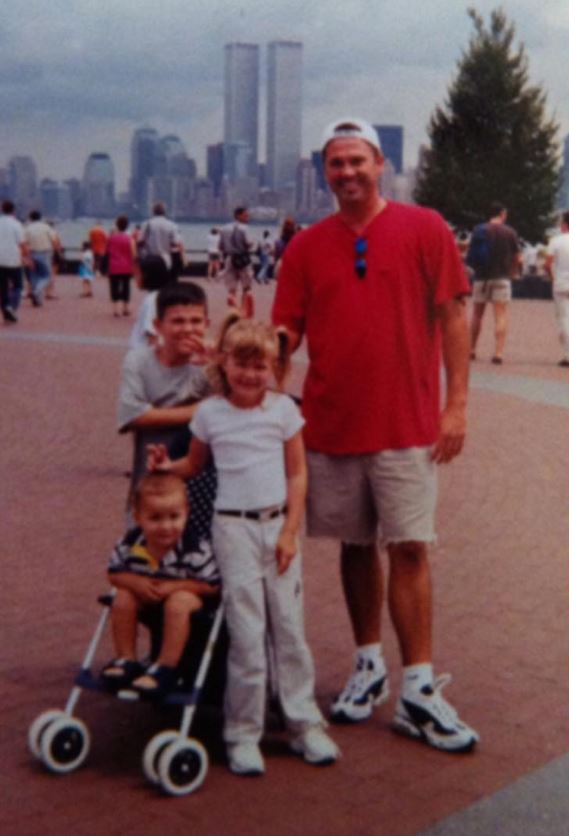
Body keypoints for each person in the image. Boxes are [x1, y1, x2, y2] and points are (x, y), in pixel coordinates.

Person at [272, 117, 477, 754]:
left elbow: (452, 315)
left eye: (358, 161)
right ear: (323, 172)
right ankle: (368, 665)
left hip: (408, 423)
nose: (348, 173)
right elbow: (287, 331)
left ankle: (418, 687)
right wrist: (254, 377)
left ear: (380, 163)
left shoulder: (425, 228)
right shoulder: (304, 247)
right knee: (355, 546)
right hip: (332, 425)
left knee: (409, 547)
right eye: (336, 164)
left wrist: (457, 405)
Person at [147, 315, 340, 776]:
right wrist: (164, 466)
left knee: (289, 630)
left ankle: (303, 724)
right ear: (224, 361)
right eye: (242, 364)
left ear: (274, 367)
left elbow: (297, 474)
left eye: (261, 367)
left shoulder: (283, 412)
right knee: (247, 636)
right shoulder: (209, 414)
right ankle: (242, 733)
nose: (251, 375)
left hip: (276, 529)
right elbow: (194, 466)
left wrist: (291, 530)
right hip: (231, 530)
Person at [102, 472, 220, 697]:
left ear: (186, 514)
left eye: (174, 517)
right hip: (146, 596)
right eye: (155, 518)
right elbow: (114, 573)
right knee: (123, 595)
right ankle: (126, 658)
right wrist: (135, 582)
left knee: (178, 602)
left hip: (189, 598)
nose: (166, 526)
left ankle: (165, 667)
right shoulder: (131, 543)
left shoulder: (195, 549)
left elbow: (212, 586)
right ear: (138, 517)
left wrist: (176, 587)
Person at [117, 282, 211, 505]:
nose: (188, 329)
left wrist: (221, 364)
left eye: (196, 321)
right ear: (158, 326)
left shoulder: (212, 365)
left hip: (203, 482)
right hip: (152, 481)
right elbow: (134, 415)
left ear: (207, 324)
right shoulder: (139, 361)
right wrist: (200, 410)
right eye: (178, 321)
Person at [467, 201, 521, 364]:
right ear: (502, 214)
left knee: (477, 315)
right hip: (501, 277)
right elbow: (517, 257)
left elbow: (471, 254)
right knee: (500, 315)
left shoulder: (479, 230)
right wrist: (513, 273)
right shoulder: (509, 232)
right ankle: (498, 352)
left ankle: (471, 349)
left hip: (481, 278)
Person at [138, 202, 184, 290]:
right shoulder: (172, 225)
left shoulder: (146, 224)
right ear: (164, 212)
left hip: (150, 259)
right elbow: (176, 243)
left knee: (152, 288)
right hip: (166, 260)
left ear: (153, 212)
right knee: (165, 287)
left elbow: (140, 241)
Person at [219, 207, 255, 315]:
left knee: (231, 289)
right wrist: (251, 244)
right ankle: (244, 310)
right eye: (245, 215)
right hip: (243, 259)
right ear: (238, 216)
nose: (247, 217)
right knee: (246, 288)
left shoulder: (224, 228)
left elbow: (220, 246)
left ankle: (232, 312)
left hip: (230, 258)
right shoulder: (245, 228)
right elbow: (248, 243)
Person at [545, 211, 569, 367]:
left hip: (561, 284)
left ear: (564, 224)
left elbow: (547, 263)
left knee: (565, 319)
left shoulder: (556, 241)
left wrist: (553, 277)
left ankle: (568, 354)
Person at [0, 200, 28, 323]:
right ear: (13, 210)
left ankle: (6, 308)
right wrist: (26, 257)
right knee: (18, 286)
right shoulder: (17, 224)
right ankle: (11, 307)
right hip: (13, 260)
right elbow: (22, 244)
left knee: (2, 287)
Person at [25, 210, 59, 306]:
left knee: (34, 276)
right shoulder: (46, 227)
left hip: (31, 253)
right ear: (40, 217)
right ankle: (37, 291)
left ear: (30, 218)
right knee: (46, 276)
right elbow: (54, 240)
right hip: (44, 253)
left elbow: (24, 243)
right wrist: (56, 251)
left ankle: (37, 299)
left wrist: (26, 257)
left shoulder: (27, 228)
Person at [107, 214, 136, 317]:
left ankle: (115, 309)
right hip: (126, 267)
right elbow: (134, 254)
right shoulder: (130, 239)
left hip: (113, 266)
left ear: (117, 225)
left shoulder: (111, 238)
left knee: (114, 287)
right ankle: (125, 308)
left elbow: (107, 252)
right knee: (126, 287)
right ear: (127, 226)